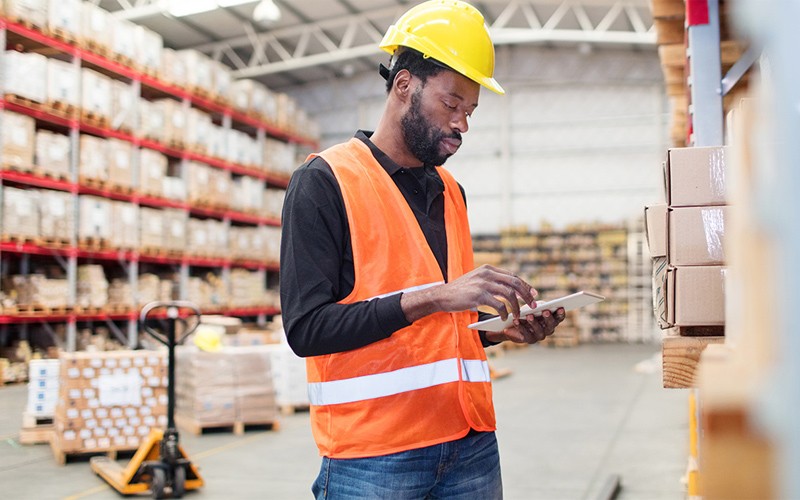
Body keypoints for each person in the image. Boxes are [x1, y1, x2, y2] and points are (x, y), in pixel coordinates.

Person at [280, 1, 566, 498]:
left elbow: (437, 337)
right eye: (451, 105)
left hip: (470, 443)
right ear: (404, 84)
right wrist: (436, 296)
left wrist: (500, 332)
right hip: (374, 456)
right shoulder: (324, 182)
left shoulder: (451, 191)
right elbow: (307, 329)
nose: (462, 125)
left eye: (470, 112)